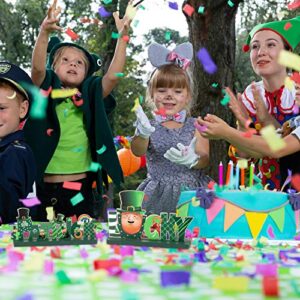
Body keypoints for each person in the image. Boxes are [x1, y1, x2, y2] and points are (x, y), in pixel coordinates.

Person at [24, 0, 139, 220]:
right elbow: (37, 68)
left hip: (78, 187)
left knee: (80, 240)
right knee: (41, 242)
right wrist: (44, 32)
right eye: (65, 60)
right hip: (42, 188)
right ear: (53, 68)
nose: (73, 64)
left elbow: (113, 77)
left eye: (79, 63)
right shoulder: (45, 89)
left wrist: (123, 38)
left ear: (86, 74)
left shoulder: (90, 93)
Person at [131, 42, 211, 214]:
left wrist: (193, 159)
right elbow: (137, 151)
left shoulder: (197, 124)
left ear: (187, 96)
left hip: (192, 196)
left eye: (177, 91)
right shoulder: (148, 125)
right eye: (162, 90)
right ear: (152, 94)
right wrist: (142, 134)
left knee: (194, 237)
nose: (169, 95)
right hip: (156, 196)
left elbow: (205, 157)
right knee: (155, 234)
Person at [226, 16, 300, 189]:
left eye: (271, 44)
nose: (261, 52)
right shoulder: (250, 97)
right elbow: (245, 159)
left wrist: (266, 120)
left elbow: (283, 146)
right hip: (266, 190)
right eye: (255, 46)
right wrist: (243, 129)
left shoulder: (297, 89)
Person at [0, 62, 36, 223]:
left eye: (1, 108)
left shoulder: (13, 153)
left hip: (8, 241)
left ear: (22, 109)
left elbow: (7, 210)